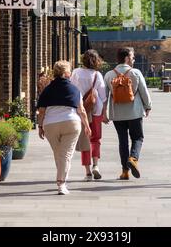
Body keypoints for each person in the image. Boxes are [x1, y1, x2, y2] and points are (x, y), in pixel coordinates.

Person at [37, 60, 91, 195]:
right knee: (65, 155)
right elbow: (82, 110)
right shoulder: (74, 89)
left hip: (51, 125)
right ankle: (61, 183)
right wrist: (87, 126)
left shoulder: (47, 89)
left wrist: (40, 126)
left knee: (59, 154)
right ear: (67, 73)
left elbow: (42, 111)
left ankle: (61, 180)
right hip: (71, 123)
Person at [103, 48, 152, 180]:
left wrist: (104, 113)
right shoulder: (136, 72)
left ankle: (125, 171)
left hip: (117, 114)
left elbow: (104, 97)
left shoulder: (109, 75)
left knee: (122, 141)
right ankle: (133, 158)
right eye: (132, 56)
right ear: (126, 58)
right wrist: (148, 106)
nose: (133, 59)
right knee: (137, 137)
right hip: (135, 112)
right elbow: (143, 91)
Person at [71, 49, 107, 181]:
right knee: (96, 139)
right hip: (96, 109)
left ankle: (87, 172)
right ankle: (96, 165)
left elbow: (72, 90)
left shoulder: (76, 73)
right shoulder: (98, 75)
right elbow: (103, 97)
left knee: (85, 139)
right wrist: (104, 113)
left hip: (80, 110)